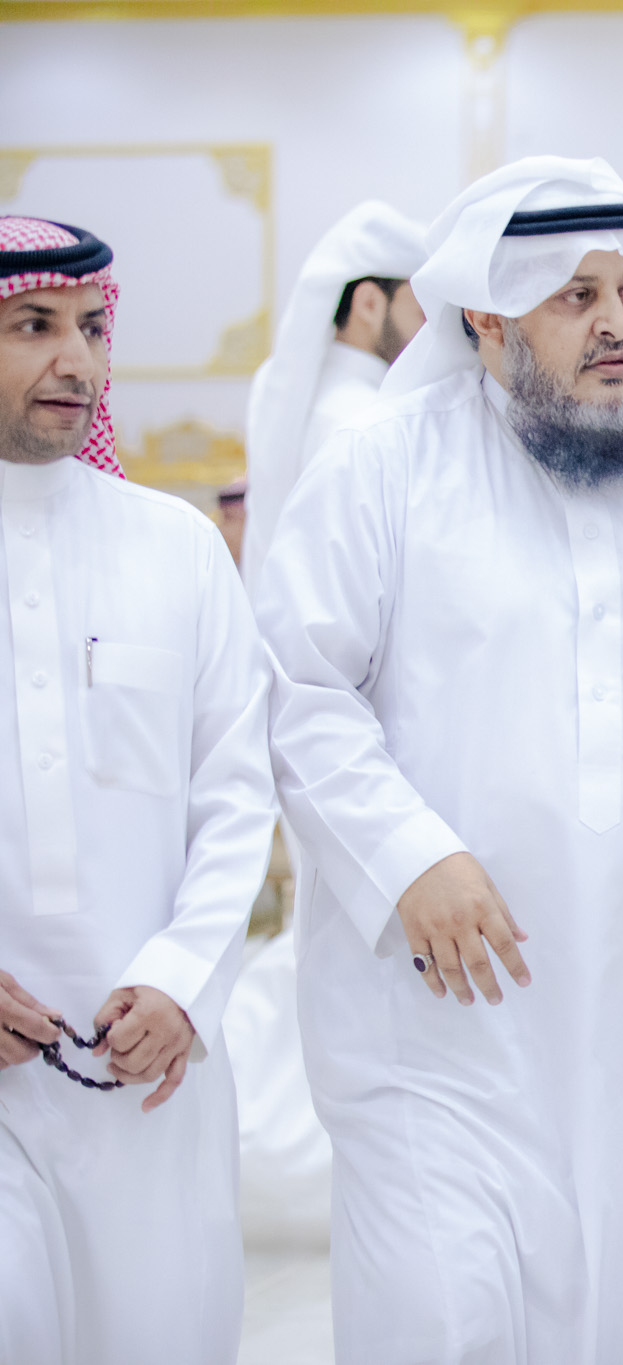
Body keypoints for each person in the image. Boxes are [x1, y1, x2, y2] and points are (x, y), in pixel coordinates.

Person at [254, 157, 623, 1365]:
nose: (616, 324)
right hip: (441, 1027)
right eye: (575, 295)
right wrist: (409, 856)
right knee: (445, 1324)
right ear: (489, 320)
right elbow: (297, 686)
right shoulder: (386, 466)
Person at [0, 217, 274, 1363]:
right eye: (34, 326)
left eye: (93, 328)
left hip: (148, 1065)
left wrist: (181, 981)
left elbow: (236, 792)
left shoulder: (174, 548)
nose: (78, 360)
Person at [228, 200, 427, 1242]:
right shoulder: (361, 426)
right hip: (364, 743)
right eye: (417, 303)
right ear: (369, 307)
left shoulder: (333, 410)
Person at [242, 201, 426, 584]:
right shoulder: (368, 417)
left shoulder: (279, 386)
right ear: (369, 304)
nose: (430, 335)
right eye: (421, 315)